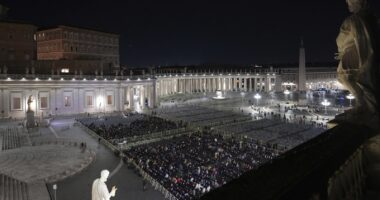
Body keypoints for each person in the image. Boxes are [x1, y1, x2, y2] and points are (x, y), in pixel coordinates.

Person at [336, 0, 380, 114]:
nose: (348, 5)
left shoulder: (354, 20)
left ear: (357, 4)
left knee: (346, 77)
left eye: (349, 3)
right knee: (348, 78)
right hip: (357, 53)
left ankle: (363, 105)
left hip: (354, 54)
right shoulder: (372, 19)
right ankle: (364, 105)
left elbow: (358, 40)